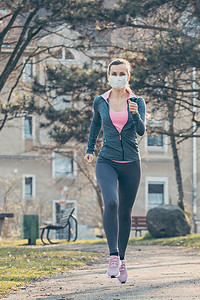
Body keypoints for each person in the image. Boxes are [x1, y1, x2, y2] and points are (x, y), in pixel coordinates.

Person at [83, 58, 146, 283]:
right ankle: (112, 256)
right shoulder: (100, 101)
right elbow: (95, 126)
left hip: (131, 162)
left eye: (122, 74)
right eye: (114, 73)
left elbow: (141, 132)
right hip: (106, 160)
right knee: (111, 202)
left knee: (124, 212)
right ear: (108, 76)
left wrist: (136, 113)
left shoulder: (137, 101)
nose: (117, 77)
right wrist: (90, 149)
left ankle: (122, 260)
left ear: (128, 77)